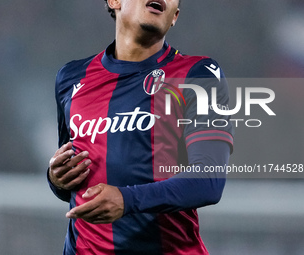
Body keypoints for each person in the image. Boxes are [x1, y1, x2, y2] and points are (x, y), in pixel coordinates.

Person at [47, 0, 234, 254]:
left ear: (174, 16)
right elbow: (70, 184)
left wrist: (127, 200)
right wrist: (56, 179)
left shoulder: (198, 74)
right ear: (114, 1)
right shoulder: (71, 78)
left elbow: (209, 181)